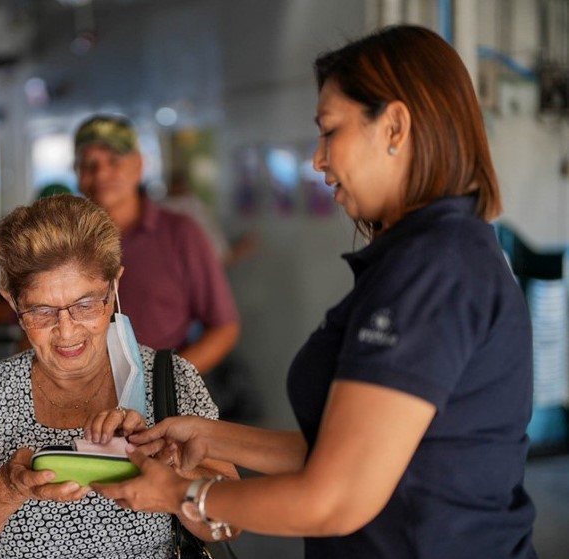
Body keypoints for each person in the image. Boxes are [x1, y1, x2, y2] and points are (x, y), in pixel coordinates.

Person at [85, 25, 538, 559]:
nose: (318, 160)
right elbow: (344, 454)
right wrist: (207, 435)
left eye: (330, 132)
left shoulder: (434, 268)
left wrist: (185, 494)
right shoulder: (425, 257)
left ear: (394, 125)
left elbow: (336, 496)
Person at [0, 195, 238, 558]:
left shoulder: (171, 381)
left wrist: (169, 463)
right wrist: (7, 488)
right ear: (11, 302)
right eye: (41, 311)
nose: (67, 332)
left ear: (114, 287)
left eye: (85, 305)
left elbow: (230, 522)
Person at [73, 114, 240, 375]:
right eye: (89, 164)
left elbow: (224, 327)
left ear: (138, 166)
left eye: (114, 161)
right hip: (78, 399)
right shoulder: (65, 240)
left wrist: (163, 384)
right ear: (76, 172)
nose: (102, 173)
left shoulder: (180, 233)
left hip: (162, 404)